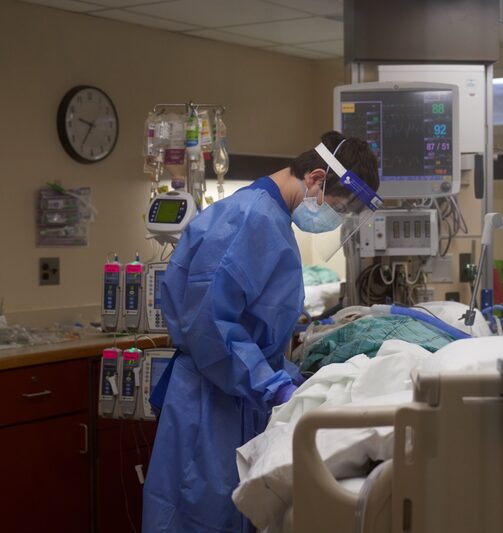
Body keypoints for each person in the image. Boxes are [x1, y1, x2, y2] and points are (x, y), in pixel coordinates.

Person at [142, 131, 380, 532]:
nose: (333, 219)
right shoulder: (249, 218)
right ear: (316, 179)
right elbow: (212, 328)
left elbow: (252, 329)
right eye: (338, 209)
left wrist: (288, 376)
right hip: (209, 405)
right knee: (201, 516)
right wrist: (272, 385)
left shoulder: (271, 220)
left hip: (234, 396)